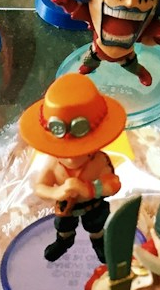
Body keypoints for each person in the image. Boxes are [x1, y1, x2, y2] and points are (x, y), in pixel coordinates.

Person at [19, 74, 126, 264]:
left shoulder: (99, 161)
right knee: (63, 226)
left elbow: (113, 184)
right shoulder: (53, 163)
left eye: (80, 151)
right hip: (66, 207)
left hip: (93, 205)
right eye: (63, 151)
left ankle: (99, 241)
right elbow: (39, 187)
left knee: (96, 226)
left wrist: (88, 189)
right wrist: (57, 191)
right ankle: (64, 241)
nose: (70, 157)